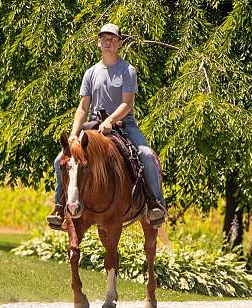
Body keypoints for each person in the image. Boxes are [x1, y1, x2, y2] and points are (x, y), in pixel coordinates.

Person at [47, 23, 166, 229]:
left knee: (146, 154)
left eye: (113, 39)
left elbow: (127, 103)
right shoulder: (90, 73)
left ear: (119, 43)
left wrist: (110, 121)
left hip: (124, 124)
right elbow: (83, 107)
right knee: (61, 159)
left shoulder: (127, 70)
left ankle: (155, 204)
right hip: (94, 125)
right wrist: (75, 134)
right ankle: (59, 206)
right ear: (98, 42)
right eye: (104, 38)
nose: (108, 42)